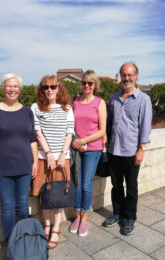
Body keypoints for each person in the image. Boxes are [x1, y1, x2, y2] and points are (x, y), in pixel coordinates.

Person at [0, 73, 38, 241]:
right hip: (1, 167)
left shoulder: (27, 112)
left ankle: (24, 242)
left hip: (24, 166)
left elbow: (32, 139)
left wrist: (35, 162)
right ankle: (11, 244)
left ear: (20, 89)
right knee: (7, 206)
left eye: (15, 86)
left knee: (22, 205)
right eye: (8, 86)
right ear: (3, 88)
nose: (12, 89)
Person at [102, 62, 152, 235]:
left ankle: (129, 217)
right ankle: (117, 213)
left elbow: (145, 126)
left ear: (136, 76)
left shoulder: (143, 100)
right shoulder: (113, 98)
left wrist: (141, 149)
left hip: (131, 151)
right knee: (116, 185)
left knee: (131, 187)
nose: (127, 78)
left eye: (130, 75)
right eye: (124, 75)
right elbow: (108, 122)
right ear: (120, 76)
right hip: (114, 150)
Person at [31, 75, 74, 249]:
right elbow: (37, 132)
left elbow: (69, 132)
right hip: (43, 158)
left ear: (59, 88)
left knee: (58, 195)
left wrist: (62, 154)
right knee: (45, 194)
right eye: (45, 87)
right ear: (41, 89)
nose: (49, 90)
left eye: (53, 87)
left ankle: (56, 228)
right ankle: (46, 225)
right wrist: (48, 153)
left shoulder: (67, 109)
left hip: (62, 159)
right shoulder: (35, 107)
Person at [70, 70, 107, 237]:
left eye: (90, 83)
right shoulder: (75, 101)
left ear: (95, 86)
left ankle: (84, 216)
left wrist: (83, 141)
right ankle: (77, 215)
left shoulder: (100, 103)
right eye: (84, 82)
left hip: (92, 149)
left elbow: (102, 131)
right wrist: (76, 142)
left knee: (85, 184)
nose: (86, 86)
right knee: (77, 184)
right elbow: (70, 124)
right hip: (77, 148)